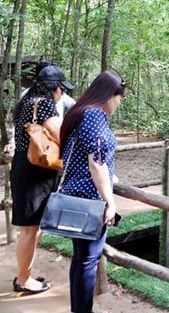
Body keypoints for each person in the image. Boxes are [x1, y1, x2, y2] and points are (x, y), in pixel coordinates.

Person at [59, 71, 126, 313]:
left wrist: (111, 176)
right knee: (87, 261)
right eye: (119, 99)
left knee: (81, 260)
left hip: (77, 195)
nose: (118, 105)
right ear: (110, 95)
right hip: (90, 199)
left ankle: (79, 309)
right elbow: (95, 162)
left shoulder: (80, 112)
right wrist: (111, 202)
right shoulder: (94, 115)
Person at [7, 64, 74, 294]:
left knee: (33, 228)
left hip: (27, 168)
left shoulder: (27, 102)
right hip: (35, 173)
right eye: (62, 89)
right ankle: (24, 279)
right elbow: (60, 133)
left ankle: (25, 274)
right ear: (53, 87)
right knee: (29, 229)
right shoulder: (44, 105)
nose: (62, 93)